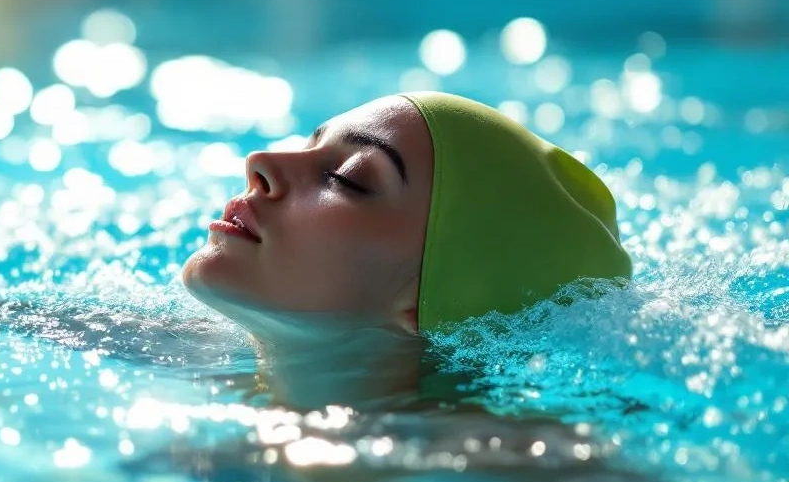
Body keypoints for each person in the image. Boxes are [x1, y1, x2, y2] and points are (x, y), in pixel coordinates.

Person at [180, 91, 632, 408]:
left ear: (421, 302)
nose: (261, 162)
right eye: (308, 145)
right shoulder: (163, 352)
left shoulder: (508, 466)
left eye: (349, 178)